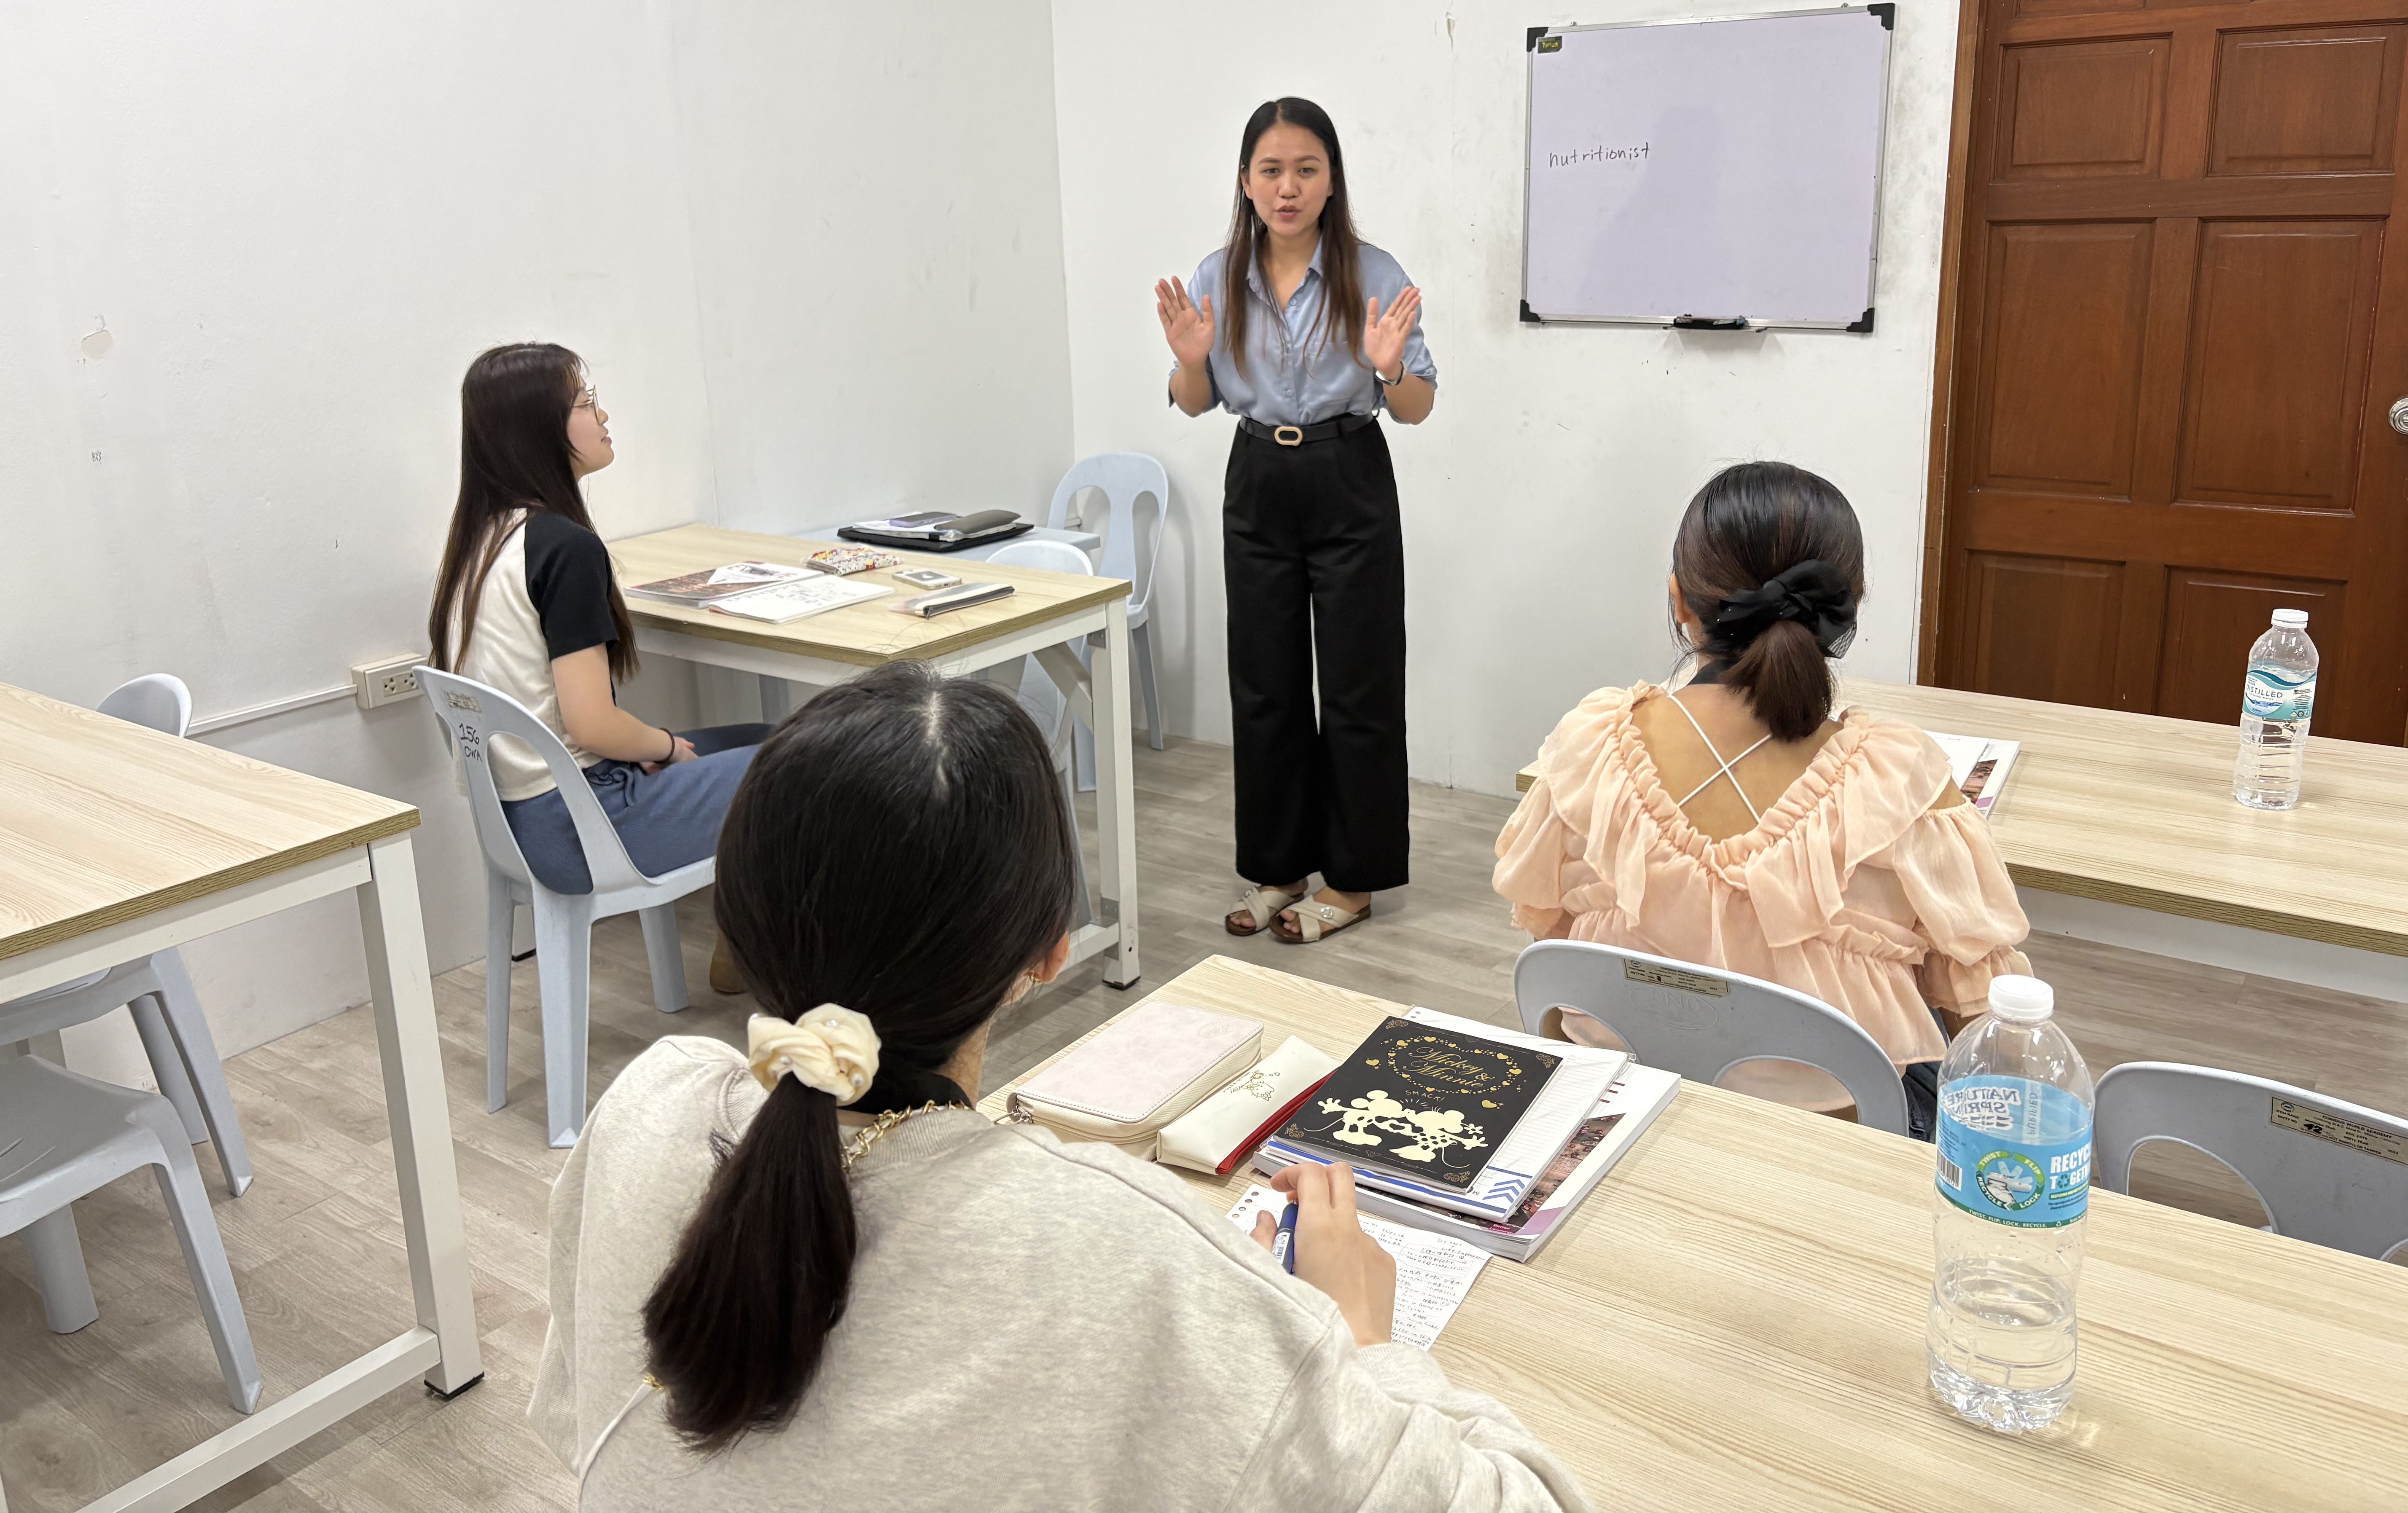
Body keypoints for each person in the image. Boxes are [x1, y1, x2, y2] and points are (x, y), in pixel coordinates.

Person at [529, 665, 1592, 1511]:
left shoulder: (647, 1106)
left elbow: (585, 1427)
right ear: (1050, 948)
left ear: (736, 920)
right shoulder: (1141, 1267)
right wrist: (1363, 1338)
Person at [1492, 461, 2032, 1140]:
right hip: (1833, 1147)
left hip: (1617, 1125)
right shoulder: (1901, 780)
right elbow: (1988, 1021)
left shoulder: (1586, 751)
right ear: (1848, 609)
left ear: (1681, 602)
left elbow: (1555, 960)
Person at [1156, 97, 1436, 946]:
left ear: (1330, 180)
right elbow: (1194, 403)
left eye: (1306, 169)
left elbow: (1419, 408)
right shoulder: (1216, 276)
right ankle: (1280, 870)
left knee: (1359, 686)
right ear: (1245, 182)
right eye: (1271, 170)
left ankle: (1351, 883)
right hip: (1259, 476)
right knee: (1266, 685)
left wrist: (1391, 372)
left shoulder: (1374, 272)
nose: (1288, 187)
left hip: (1349, 471)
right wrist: (1191, 362)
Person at [426, 341, 766, 993]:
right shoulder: (565, 548)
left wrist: (646, 749)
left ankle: (742, 940)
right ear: (539, 430)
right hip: (584, 823)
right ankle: (785, 957)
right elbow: (591, 723)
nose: (604, 417)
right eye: (586, 404)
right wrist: (664, 747)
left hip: (522, 824)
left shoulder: (479, 542)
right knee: (819, 766)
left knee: (772, 741)